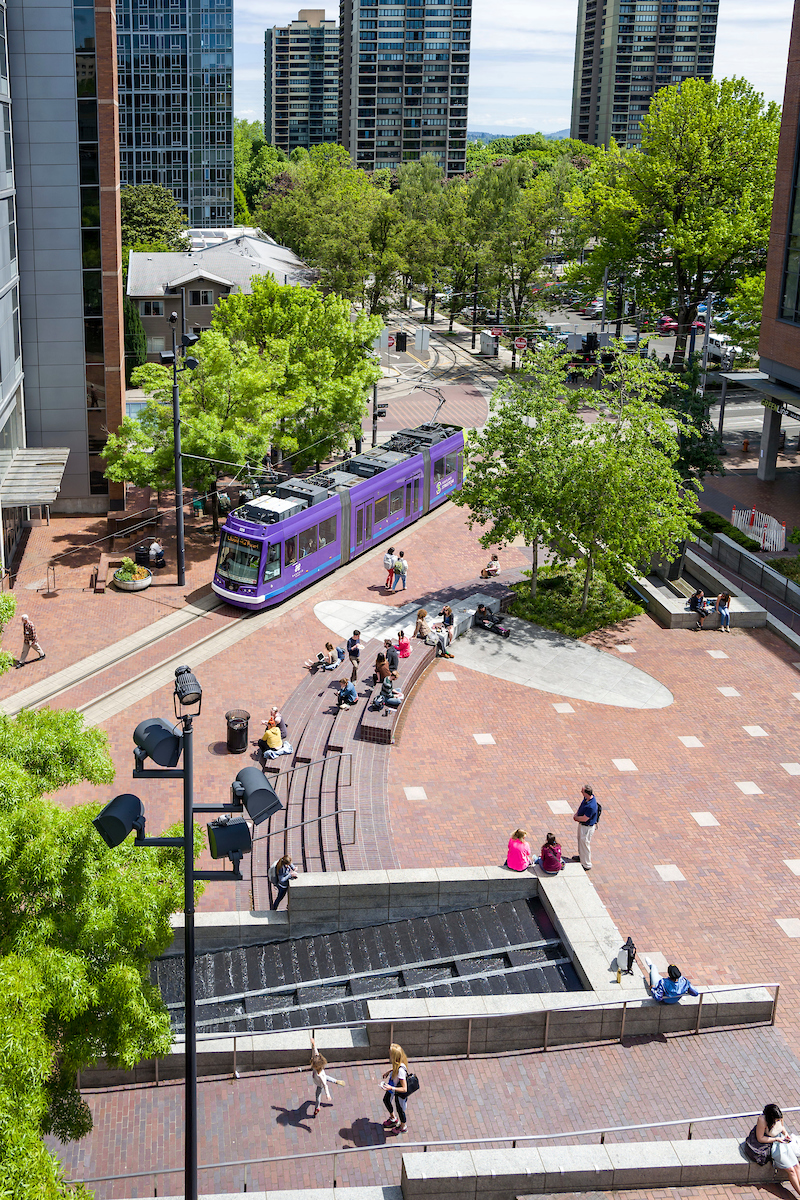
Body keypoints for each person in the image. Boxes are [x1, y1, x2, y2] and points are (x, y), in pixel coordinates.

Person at [744, 1103, 800, 1193]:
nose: (778, 1121)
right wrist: (776, 1139)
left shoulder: (779, 1117)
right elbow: (760, 1138)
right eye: (776, 1120)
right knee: (791, 1170)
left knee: (797, 1166)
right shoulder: (762, 1120)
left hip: (782, 1142)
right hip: (772, 1145)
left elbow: (782, 1127)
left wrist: (786, 1134)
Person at [302, 1035, 345, 1116]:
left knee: (317, 1096)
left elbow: (325, 1085)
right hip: (321, 1077)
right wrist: (314, 1044)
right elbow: (315, 1053)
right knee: (326, 1077)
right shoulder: (317, 1062)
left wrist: (328, 1095)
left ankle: (317, 1107)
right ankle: (336, 1081)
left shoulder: (320, 1075)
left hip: (320, 1084)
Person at [381, 1042, 410, 1133]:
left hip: (398, 1092)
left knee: (400, 1110)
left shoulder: (401, 1071)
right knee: (386, 1100)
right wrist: (389, 1071)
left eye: (390, 1053)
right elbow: (396, 1067)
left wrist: (391, 1088)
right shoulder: (399, 1063)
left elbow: (404, 1089)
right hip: (392, 1087)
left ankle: (403, 1127)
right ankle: (393, 1118)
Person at [573, 783, 599, 871]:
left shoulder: (591, 806)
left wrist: (576, 818)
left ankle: (587, 864)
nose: (581, 793)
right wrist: (577, 814)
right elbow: (581, 807)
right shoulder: (586, 799)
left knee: (585, 844)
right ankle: (582, 857)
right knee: (580, 841)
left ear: (586, 793)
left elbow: (585, 818)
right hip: (582, 825)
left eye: (582, 792)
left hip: (587, 827)